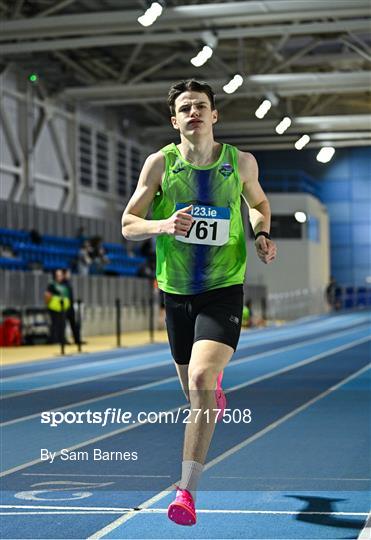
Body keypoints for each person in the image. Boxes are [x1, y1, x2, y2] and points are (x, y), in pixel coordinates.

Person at [121, 79, 277, 526]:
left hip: (224, 287)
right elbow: (129, 223)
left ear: (214, 116)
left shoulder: (240, 162)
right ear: (175, 121)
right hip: (175, 292)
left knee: (203, 377)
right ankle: (211, 396)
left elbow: (259, 202)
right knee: (194, 395)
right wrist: (163, 225)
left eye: (201, 106)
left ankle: (185, 491)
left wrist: (261, 231)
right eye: (185, 108)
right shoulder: (159, 164)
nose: (193, 112)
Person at [44, 268, 70, 344]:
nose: (60, 277)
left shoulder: (64, 285)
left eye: (61, 275)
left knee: (63, 324)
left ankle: (62, 339)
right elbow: (47, 295)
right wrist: (47, 304)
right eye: (58, 275)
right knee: (55, 324)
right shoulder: (52, 285)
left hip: (63, 308)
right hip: (54, 307)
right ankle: (54, 340)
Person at [62, 268, 83, 345]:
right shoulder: (62, 284)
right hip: (64, 307)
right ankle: (63, 340)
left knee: (74, 324)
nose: (69, 275)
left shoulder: (69, 283)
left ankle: (77, 339)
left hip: (71, 306)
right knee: (64, 325)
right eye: (68, 273)